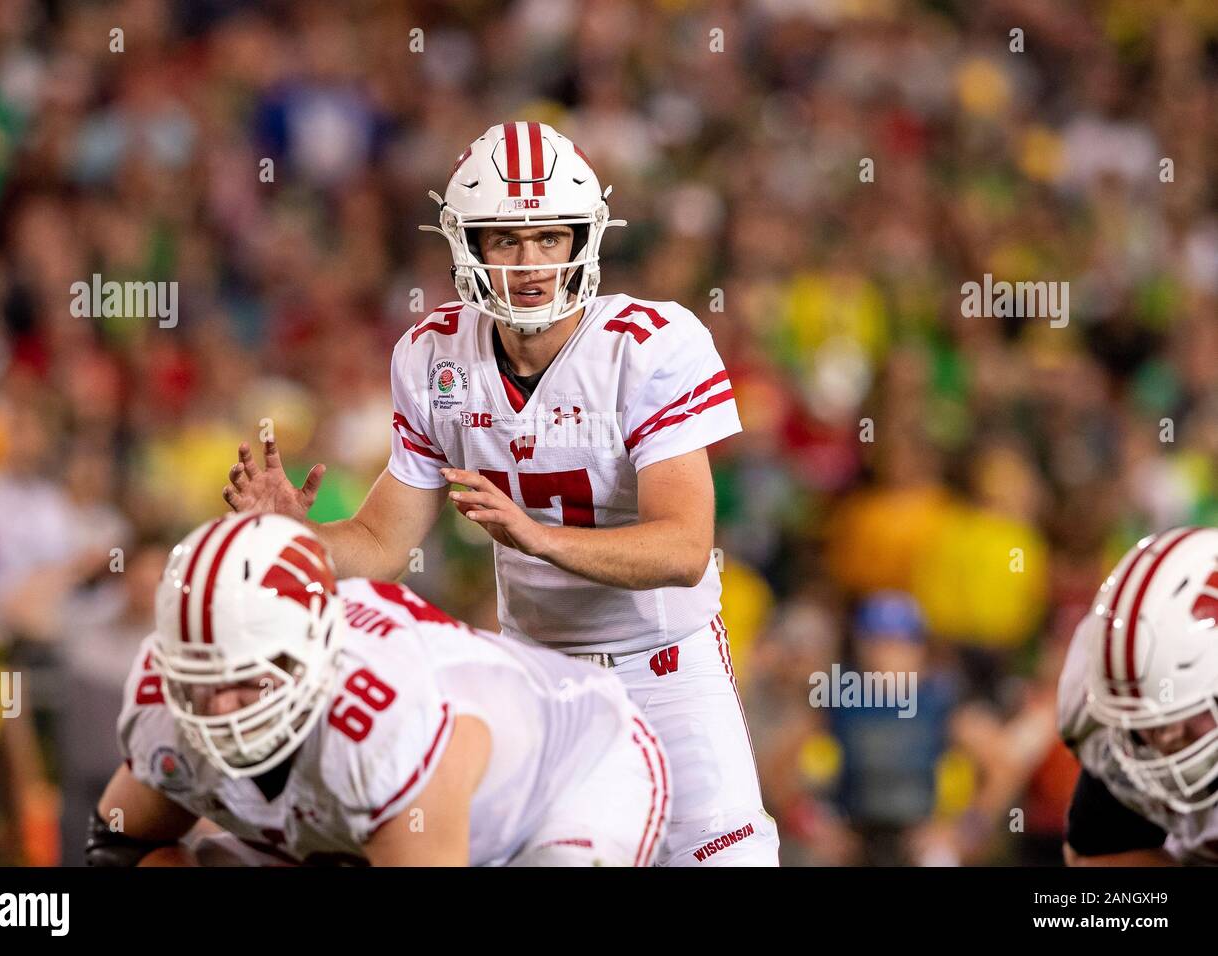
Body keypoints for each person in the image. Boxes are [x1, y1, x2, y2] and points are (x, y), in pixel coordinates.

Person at [223, 121, 777, 865]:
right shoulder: (432, 357)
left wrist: (538, 538)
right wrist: (294, 537)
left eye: (550, 238)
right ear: (469, 247)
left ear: (583, 239)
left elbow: (683, 547)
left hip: (666, 665)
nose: (530, 263)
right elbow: (383, 545)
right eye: (507, 240)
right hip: (540, 675)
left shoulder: (650, 345)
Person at [89, 512, 669, 867]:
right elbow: (122, 847)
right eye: (201, 680)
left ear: (312, 653)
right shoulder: (162, 707)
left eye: (246, 679)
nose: (218, 708)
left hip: (571, 782)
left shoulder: (382, 716)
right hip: (367, 827)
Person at [1059, 526, 1218, 865]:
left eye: (1184, 714)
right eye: (1147, 721)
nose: (1166, 737)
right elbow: (1099, 857)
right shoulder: (1101, 687)